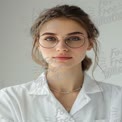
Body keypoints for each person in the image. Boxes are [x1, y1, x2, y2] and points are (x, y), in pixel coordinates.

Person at [0, 4, 122, 122]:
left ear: (90, 43)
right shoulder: (10, 99)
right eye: (50, 38)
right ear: (37, 43)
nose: (61, 48)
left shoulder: (117, 98)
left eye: (74, 38)